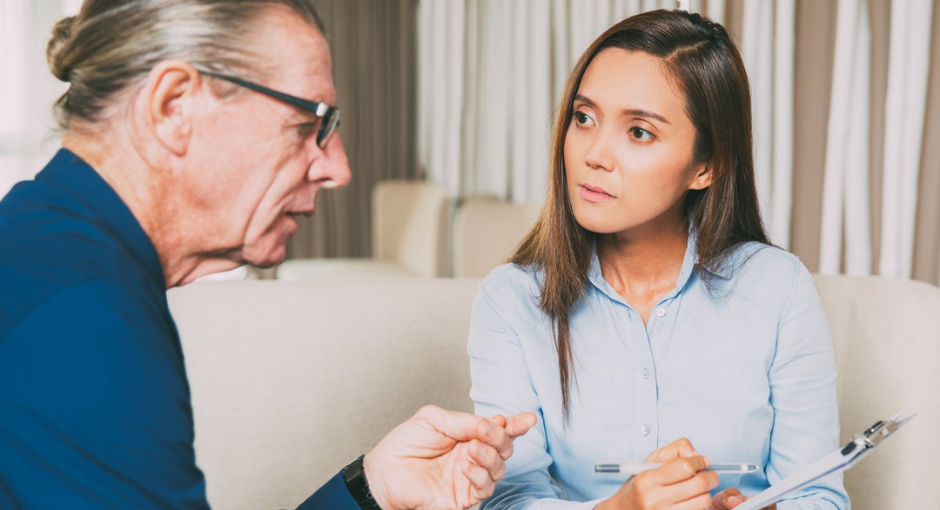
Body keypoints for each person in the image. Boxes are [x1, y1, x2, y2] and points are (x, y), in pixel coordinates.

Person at [0, 1, 536, 509]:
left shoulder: (50, 248)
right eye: (309, 125)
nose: (338, 168)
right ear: (173, 107)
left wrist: (373, 488)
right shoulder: (84, 315)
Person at [467, 9, 849, 510]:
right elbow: (507, 502)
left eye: (639, 131)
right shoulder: (511, 299)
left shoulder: (778, 288)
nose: (594, 154)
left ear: (706, 167)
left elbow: (820, 495)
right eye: (584, 118)